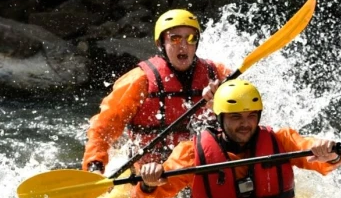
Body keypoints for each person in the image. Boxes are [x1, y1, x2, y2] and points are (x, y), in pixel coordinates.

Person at [135, 79, 341, 198]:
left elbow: (314, 153)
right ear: (221, 118)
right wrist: (148, 183)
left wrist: (329, 152)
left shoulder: (281, 141)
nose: (245, 124)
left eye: (251, 116)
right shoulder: (193, 152)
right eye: (236, 117)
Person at [82, 9, 232, 174]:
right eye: (175, 38)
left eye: (191, 38)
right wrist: (95, 165)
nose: (183, 45)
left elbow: (245, 114)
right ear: (161, 43)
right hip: (150, 175)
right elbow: (105, 127)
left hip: (199, 166)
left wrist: (223, 100)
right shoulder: (140, 79)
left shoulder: (217, 75)